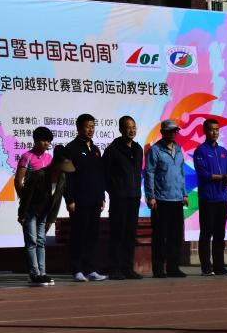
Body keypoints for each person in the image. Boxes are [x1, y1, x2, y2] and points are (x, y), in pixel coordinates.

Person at [18, 142, 75, 287]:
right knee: (31, 242)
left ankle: (42, 273)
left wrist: (51, 219)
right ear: (55, 164)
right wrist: (22, 214)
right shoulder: (39, 175)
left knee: (41, 241)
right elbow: (26, 197)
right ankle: (34, 273)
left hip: (44, 213)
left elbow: (57, 200)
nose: (64, 170)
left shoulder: (62, 178)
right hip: (30, 211)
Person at [64, 114, 107, 282]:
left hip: (95, 200)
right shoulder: (71, 148)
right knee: (79, 235)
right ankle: (76, 270)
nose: (91, 129)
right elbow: (67, 177)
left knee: (92, 236)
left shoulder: (95, 149)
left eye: (93, 126)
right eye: (87, 126)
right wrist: (70, 199)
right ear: (79, 128)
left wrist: (102, 196)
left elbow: (100, 175)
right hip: (79, 201)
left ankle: (90, 269)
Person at [145, 119, 188, 278]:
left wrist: (184, 194)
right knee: (160, 237)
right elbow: (149, 174)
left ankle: (173, 268)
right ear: (162, 132)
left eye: (175, 131)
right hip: (161, 200)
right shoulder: (155, 150)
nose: (173, 134)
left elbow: (181, 174)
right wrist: (151, 196)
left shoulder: (179, 150)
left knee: (175, 236)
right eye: (169, 131)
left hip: (177, 199)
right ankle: (158, 269)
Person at [103, 115, 144, 280]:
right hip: (119, 198)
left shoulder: (138, 149)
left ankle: (128, 268)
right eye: (128, 127)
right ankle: (115, 269)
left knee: (130, 234)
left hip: (134, 197)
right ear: (121, 129)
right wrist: (114, 191)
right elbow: (105, 175)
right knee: (117, 233)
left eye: (134, 127)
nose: (131, 130)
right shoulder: (113, 150)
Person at [194, 118, 227, 276]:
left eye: (217, 130)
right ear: (205, 131)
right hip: (207, 198)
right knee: (206, 233)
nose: (214, 132)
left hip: (222, 198)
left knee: (219, 233)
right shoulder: (200, 151)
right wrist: (221, 177)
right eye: (211, 129)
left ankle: (219, 267)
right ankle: (206, 267)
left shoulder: (223, 151)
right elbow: (203, 174)